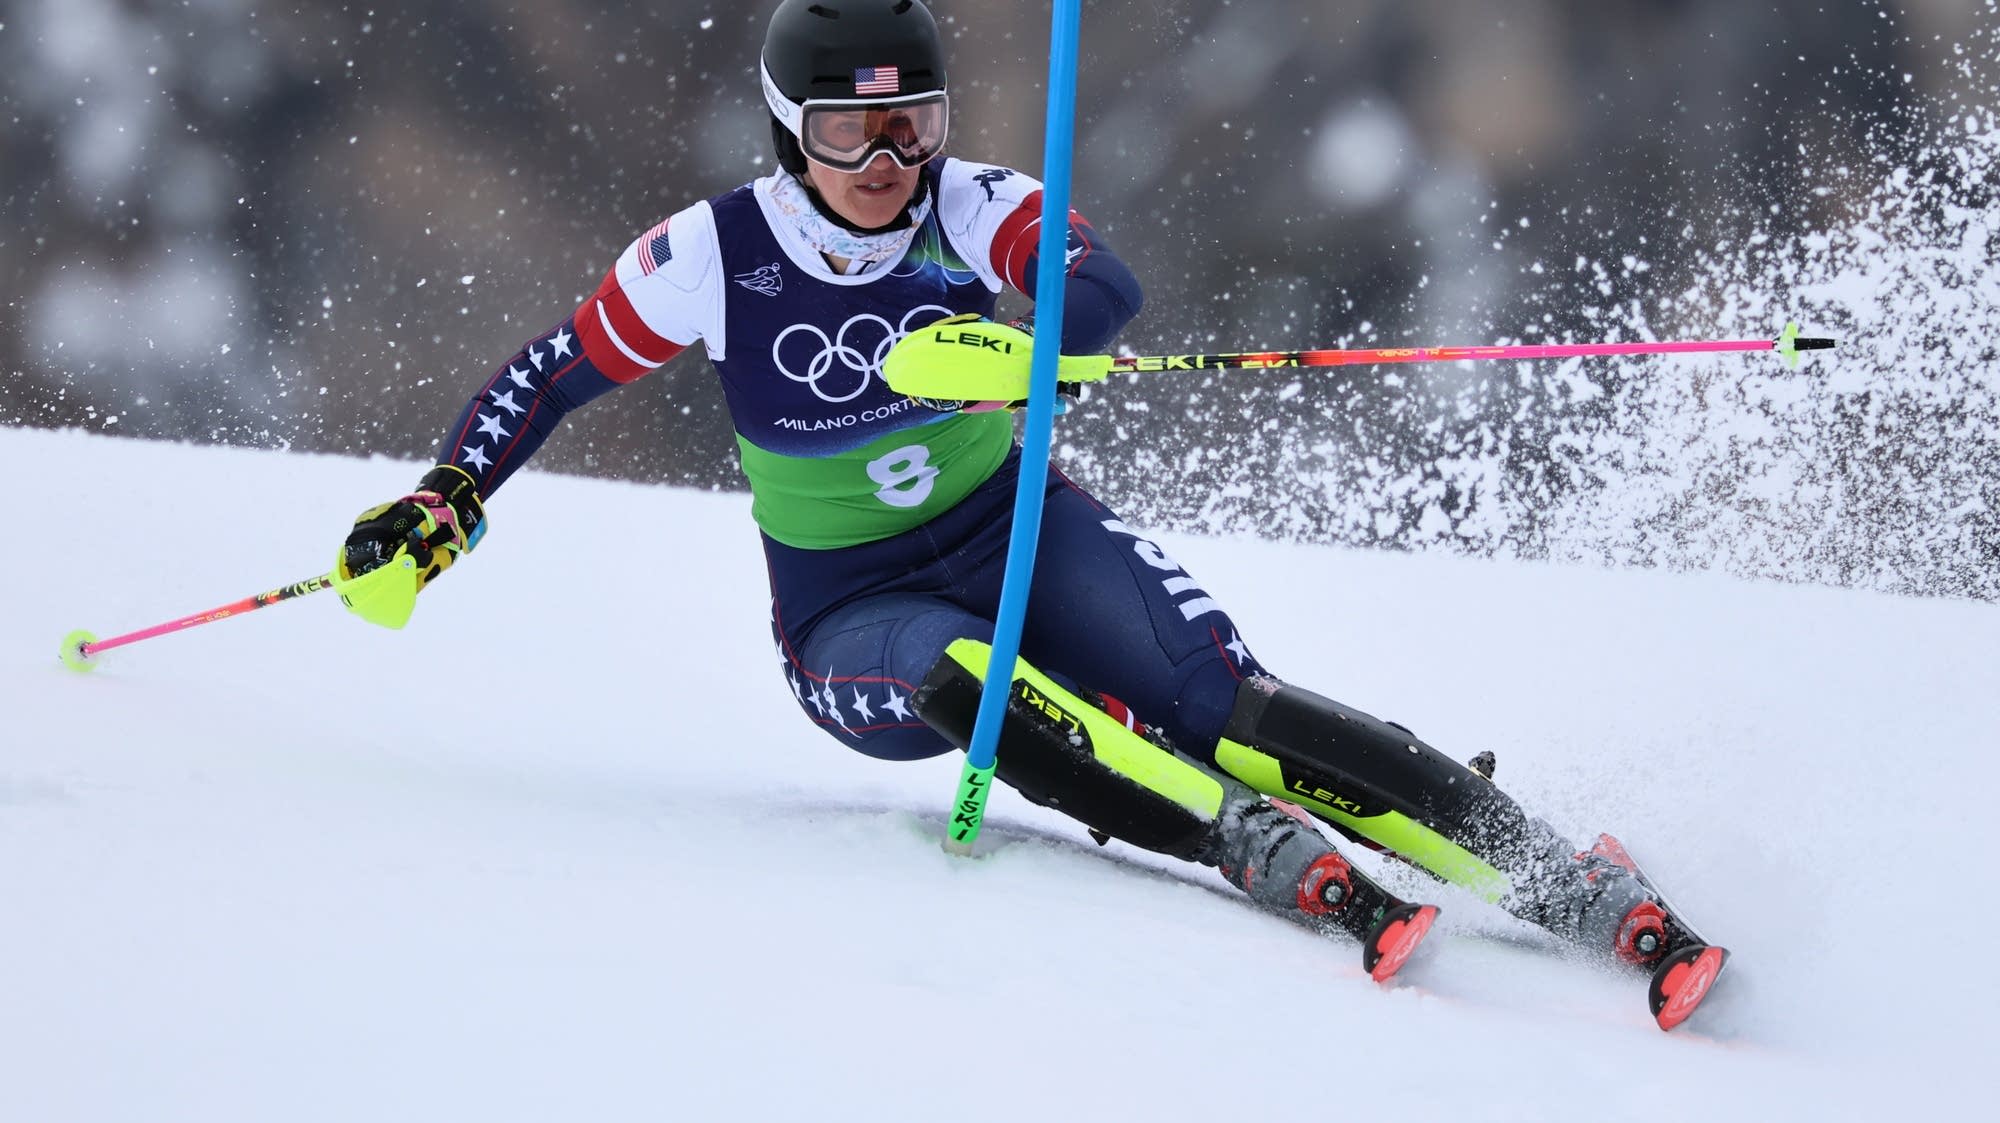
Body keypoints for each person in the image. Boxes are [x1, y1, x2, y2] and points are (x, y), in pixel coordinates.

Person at [333, 0, 1684, 969]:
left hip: (1020, 531)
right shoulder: (711, 254)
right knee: (968, 680)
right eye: (852, 135)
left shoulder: (969, 201)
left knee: (1227, 701)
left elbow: (1100, 286)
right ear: (789, 134)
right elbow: (551, 372)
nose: (888, 167)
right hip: (853, 619)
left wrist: (1026, 342)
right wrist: (452, 494)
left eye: (911, 126)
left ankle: (1556, 872)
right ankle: (1244, 844)